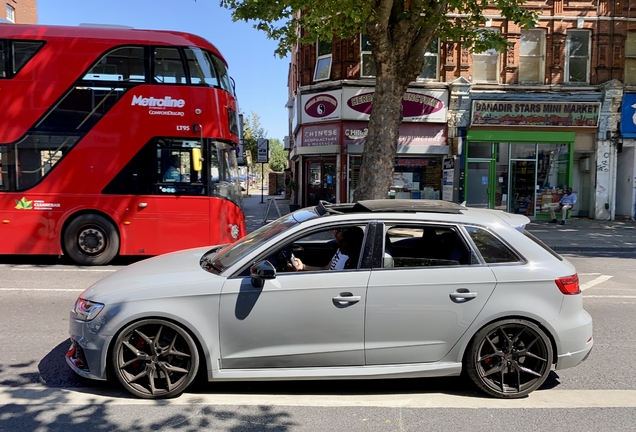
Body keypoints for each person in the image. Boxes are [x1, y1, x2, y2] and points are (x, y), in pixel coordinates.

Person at [293, 226, 364, 271]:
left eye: (341, 242)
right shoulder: (341, 251)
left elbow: (333, 278)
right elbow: (326, 269)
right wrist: (303, 267)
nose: (338, 245)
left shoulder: (350, 261)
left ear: (353, 242)